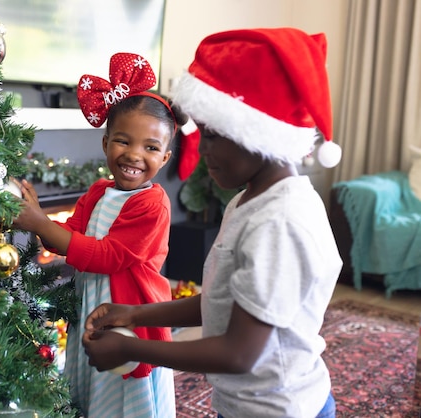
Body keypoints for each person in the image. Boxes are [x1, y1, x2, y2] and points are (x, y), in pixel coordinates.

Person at [82, 28, 344, 418]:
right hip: (243, 405)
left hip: (279, 408)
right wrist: (132, 314)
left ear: (255, 131)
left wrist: (130, 347)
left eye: (214, 135)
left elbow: (238, 353)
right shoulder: (248, 199)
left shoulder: (280, 223)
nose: (202, 150)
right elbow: (221, 302)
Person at [12, 52, 186, 417]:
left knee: (122, 384)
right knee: (90, 379)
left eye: (151, 148)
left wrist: (41, 223)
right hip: (90, 302)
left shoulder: (152, 204)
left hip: (128, 312)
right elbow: (69, 235)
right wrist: (37, 218)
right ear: (106, 144)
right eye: (123, 142)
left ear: (166, 157)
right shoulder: (97, 192)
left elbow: (108, 255)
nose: (134, 155)